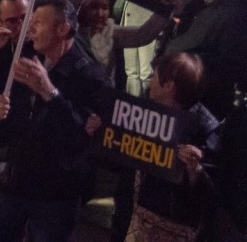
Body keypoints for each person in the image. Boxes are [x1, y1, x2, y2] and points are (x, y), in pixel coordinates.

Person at [0, 0, 112, 242]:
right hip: (11, 180)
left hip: (55, 194)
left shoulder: (92, 77)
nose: (30, 28)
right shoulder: (24, 57)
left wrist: (50, 93)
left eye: (38, 22)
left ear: (62, 29)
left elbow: (82, 138)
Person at [89, 52, 219, 241]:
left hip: (168, 230)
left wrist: (195, 171)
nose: (149, 81)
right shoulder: (138, 113)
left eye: (154, 76)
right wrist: (99, 135)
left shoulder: (206, 131)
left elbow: (211, 197)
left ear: (169, 86)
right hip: (128, 221)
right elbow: (118, 164)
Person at [159, 0, 247, 119]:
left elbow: (226, 65)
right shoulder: (189, 1)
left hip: (201, 102)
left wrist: (187, 71)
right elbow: (169, 36)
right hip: (168, 88)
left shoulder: (235, 16)